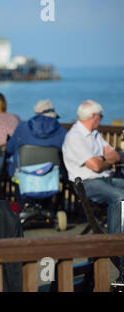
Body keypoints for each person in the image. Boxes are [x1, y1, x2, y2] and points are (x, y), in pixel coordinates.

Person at [62, 100, 124, 234]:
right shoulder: (75, 137)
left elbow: (114, 155)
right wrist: (105, 160)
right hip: (85, 184)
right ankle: (114, 244)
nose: (101, 119)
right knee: (119, 197)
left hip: (104, 178)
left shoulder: (95, 134)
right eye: (101, 116)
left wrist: (102, 160)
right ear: (94, 116)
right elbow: (96, 166)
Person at [6, 99, 67, 176]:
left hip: (23, 175)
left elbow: (9, 149)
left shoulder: (22, 127)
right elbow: (67, 153)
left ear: (36, 113)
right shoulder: (61, 131)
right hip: (53, 176)